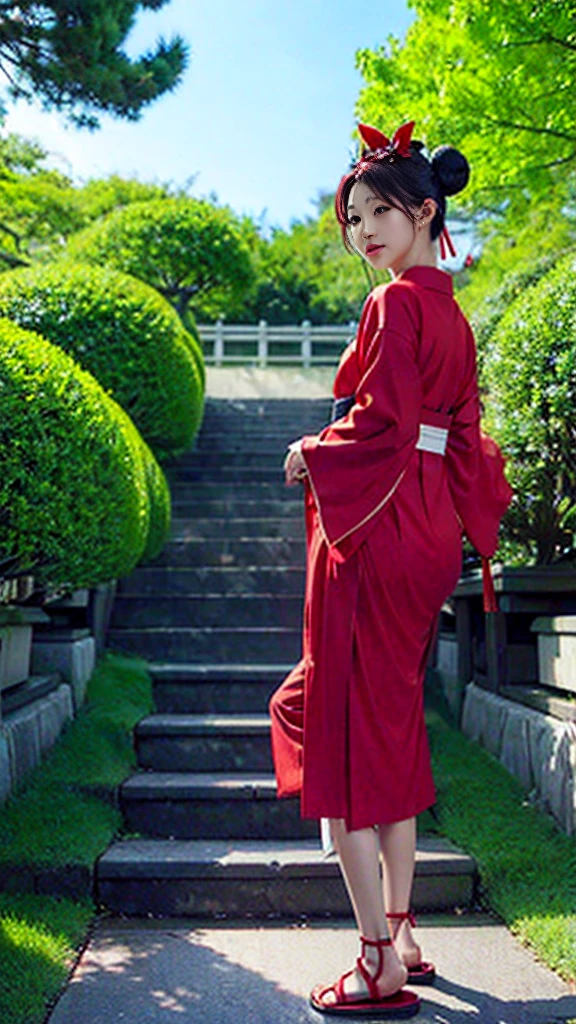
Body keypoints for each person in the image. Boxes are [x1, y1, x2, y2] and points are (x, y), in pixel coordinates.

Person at [269, 119, 514, 1018]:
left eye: (381, 211)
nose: (364, 230)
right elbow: (458, 434)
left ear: (423, 212)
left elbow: (377, 422)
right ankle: (404, 932)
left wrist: (312, 449)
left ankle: (375, 960)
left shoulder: (394, 305)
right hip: (424, 529)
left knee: (330, 719)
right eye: (353, 217)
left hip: (375, 522)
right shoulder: (450, 310)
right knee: (388, 723)